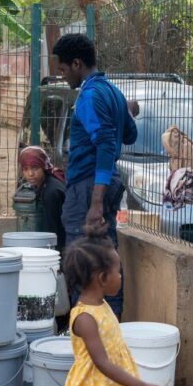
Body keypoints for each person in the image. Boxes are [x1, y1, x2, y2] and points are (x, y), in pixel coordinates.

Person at [53, 33, 137, 316]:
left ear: (77, 64)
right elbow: (130, 135)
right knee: (105, 258)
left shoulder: (89, 96)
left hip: (89, 187)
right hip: (108, 181)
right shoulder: (113, 92)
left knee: (82, 261)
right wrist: (124, 111)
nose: (63, 77)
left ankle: (87, 331)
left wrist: (96, 202)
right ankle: (111, 326)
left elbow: (103, 141)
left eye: (63, 70)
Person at [62, 236, 170, 386]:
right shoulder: (85, 318)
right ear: (102, 278)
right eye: (118, 272)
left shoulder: (100, 304)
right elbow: (102, 363)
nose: (121, 277)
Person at [18, 146, 67, 252]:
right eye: (25, 169)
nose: (30, 174)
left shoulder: (51, 191)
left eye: (35, 168)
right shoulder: (43, 183)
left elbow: (51, 230)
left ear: (44, 166)